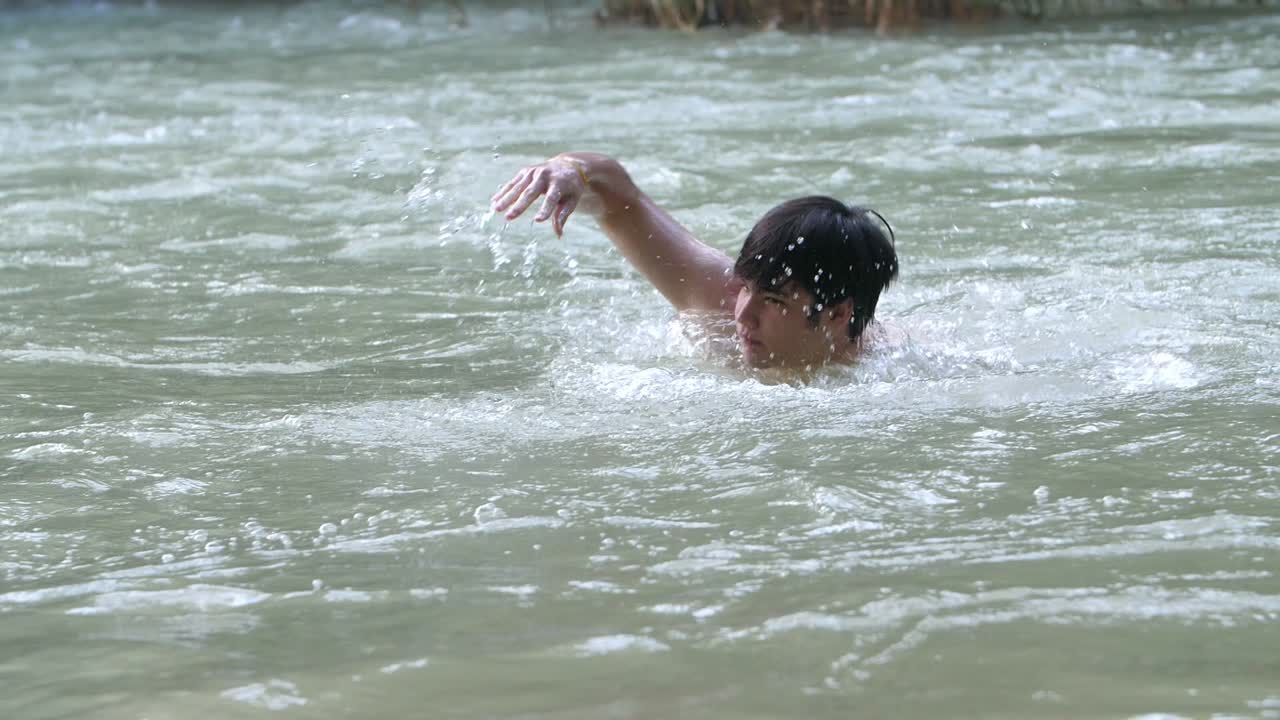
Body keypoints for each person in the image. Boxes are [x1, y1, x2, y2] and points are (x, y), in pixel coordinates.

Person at [490, 152, 899, 371]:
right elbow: (621, 198)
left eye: (774, 301)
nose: (743, 315)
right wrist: (570, 170)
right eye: (747, 287)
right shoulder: (718, 298)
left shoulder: (887, 373)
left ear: (837, 315)